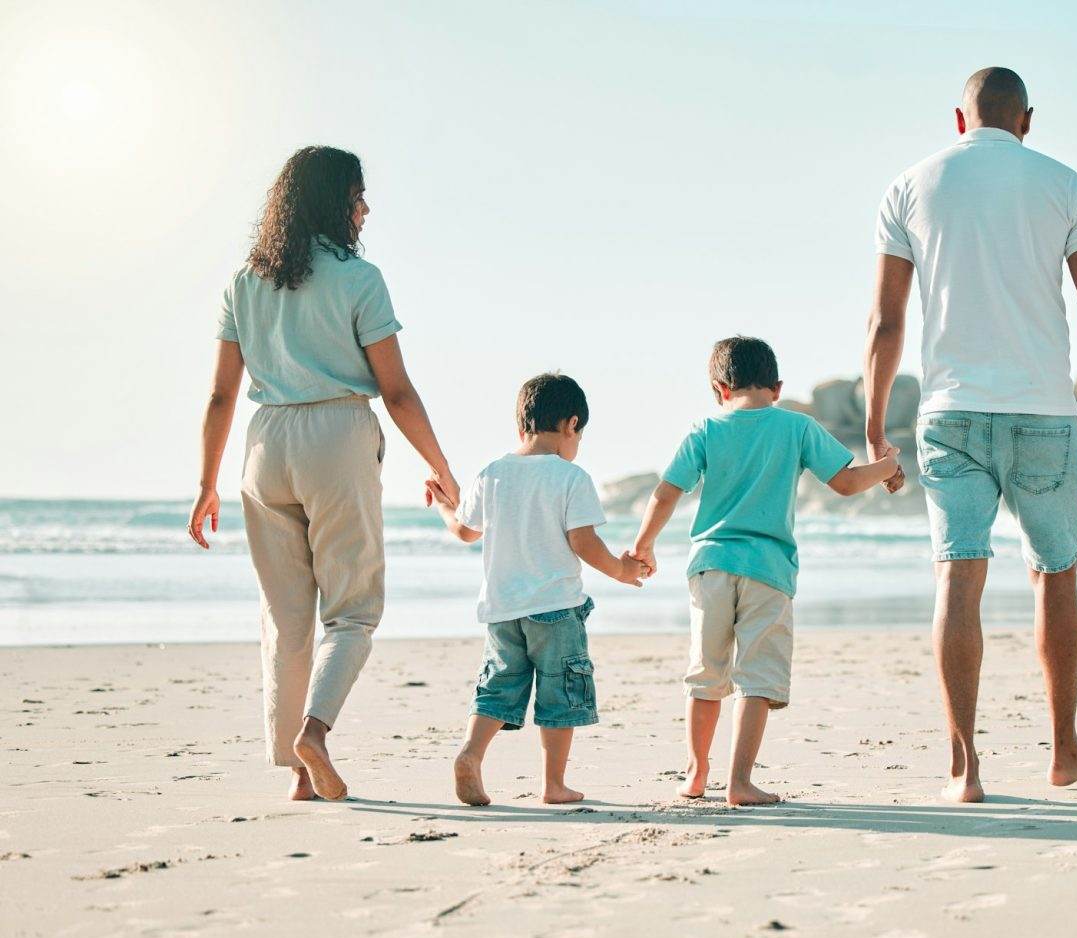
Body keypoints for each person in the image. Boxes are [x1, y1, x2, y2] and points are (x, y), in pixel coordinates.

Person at [862, 67, 1077, 802]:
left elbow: (886, 323)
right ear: (1027, 120)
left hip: (949, 413)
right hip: (1044, 411)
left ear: (960, 121)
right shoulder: (1066, 185)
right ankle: (1063, 751)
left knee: (959, 573)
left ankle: (965, 767)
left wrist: (874, 430)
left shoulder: (910, 187)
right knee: (1055, 572)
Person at [188, 146, 459, 802]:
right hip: (337, 436)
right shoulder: (359, 278)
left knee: (284, 617)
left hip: (265, 445)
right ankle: (314, 732)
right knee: (353, 611)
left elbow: (222, 395)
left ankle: (297, 773)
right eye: (358, 196)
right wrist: (439, 463)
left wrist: (206, 483)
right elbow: (395, 391)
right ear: (334, 201)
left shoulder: (244, 282)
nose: (366, 209)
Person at [630, 336, 901, 806]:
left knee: (705, 674)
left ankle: (696, 774)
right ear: (777, 387)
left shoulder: (705, 429)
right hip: (768, 571)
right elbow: (846, 483)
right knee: (757, 677)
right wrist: (887, 466)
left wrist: (642, 544)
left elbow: (666, 492)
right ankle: (740, 781)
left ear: (719, 387)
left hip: (710, 566)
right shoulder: (797, 426)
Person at [428, 373, 647, 807]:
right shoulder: (571, 477)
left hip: (502, 611)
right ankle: (553, 784)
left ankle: (471, 755)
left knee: (497, 688)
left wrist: (442, 504)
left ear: (521, 426)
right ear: (571, 425)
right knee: (560, 694)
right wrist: (621, 570)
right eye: (578, 435)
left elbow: (464, 531)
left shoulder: (492, 473)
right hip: (556, 610)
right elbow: (583, 542)